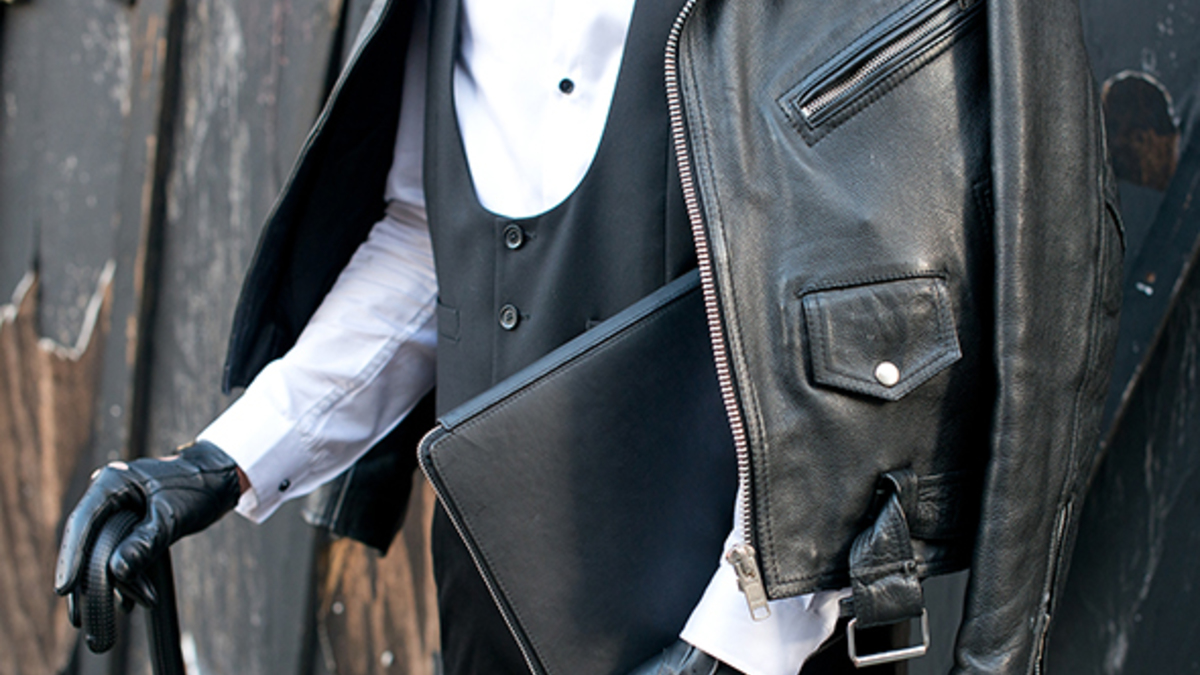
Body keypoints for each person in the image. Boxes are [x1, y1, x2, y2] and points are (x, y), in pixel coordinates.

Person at [55, 0, 1122, 673]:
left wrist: (733, 644)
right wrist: (223, 460)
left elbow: (888, 294)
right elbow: (432, 242)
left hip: (747, 623)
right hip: (490, 609)